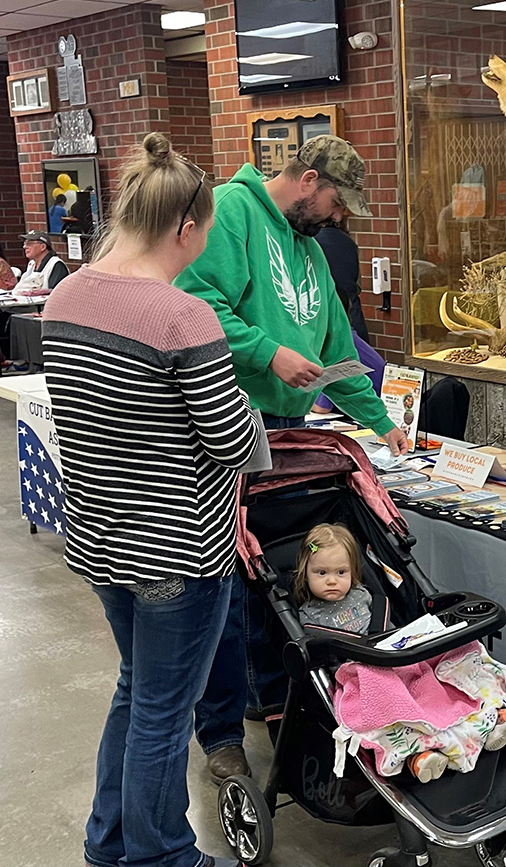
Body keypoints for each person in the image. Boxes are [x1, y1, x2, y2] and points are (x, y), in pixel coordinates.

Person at [42, 132, 259, 867]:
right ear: (184, 227)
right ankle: (161, 855)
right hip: (177, 547)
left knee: (137, 696)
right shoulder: (179, 316)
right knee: (163, 717)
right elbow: (231, 441)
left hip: (99, 541)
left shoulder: (65, 295)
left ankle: (108, 844)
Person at [177, 134, 408, 783]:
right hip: (227, 425)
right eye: (338, 201)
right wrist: (268, 353)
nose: (340, 218)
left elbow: (338, 351)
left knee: (276, 569)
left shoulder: (309, 251)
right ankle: (226, 727)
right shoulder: (232, 211)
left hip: (288, 428)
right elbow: (197, 304)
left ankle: (277, 695)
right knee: (227, 580)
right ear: (307, 180)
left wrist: (381, 422)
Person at [296, 524, 506, 784]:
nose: (332, 580)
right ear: (304, 574)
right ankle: (419, 756)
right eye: (321, 573)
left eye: (341, 572)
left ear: (353, 571)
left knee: (453, 660)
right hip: (363, 675)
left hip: (397, 657)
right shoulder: (309, 616)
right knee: (394, 710)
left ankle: (494, 715)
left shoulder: (365, 597)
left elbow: (394, 631)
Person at [315, 223, 370, 343]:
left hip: (328, 326)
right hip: (354, 319)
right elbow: (357, 286)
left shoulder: (310, 243)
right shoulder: (349, 243)